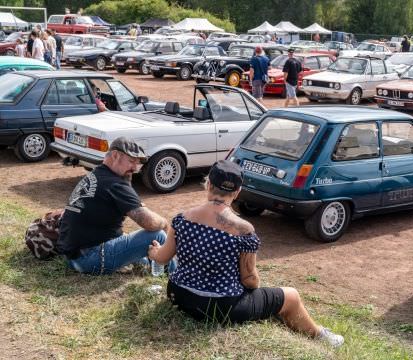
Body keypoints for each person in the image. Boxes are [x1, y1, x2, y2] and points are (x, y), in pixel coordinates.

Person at [148, 160, 344, 347]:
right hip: (219, 307)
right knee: (290, 296)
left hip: (179, 295)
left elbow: (163, 258)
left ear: (208, 184)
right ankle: (319, 335)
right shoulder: (243, 229)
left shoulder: (182, 219)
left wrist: (154, 251)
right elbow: (250, 281)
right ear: (238, 191)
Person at [57, 137, 176, 275]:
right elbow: (149, 222)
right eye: (131, 161)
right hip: (88, 258)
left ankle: (160, 268)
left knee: (146, 253)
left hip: (74, 256)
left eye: (137, 163)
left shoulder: (97, 175)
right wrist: (165, 223)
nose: (134, 168)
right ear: (114, 155)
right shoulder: (114, 183)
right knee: (157, 235)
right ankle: (176, 275)